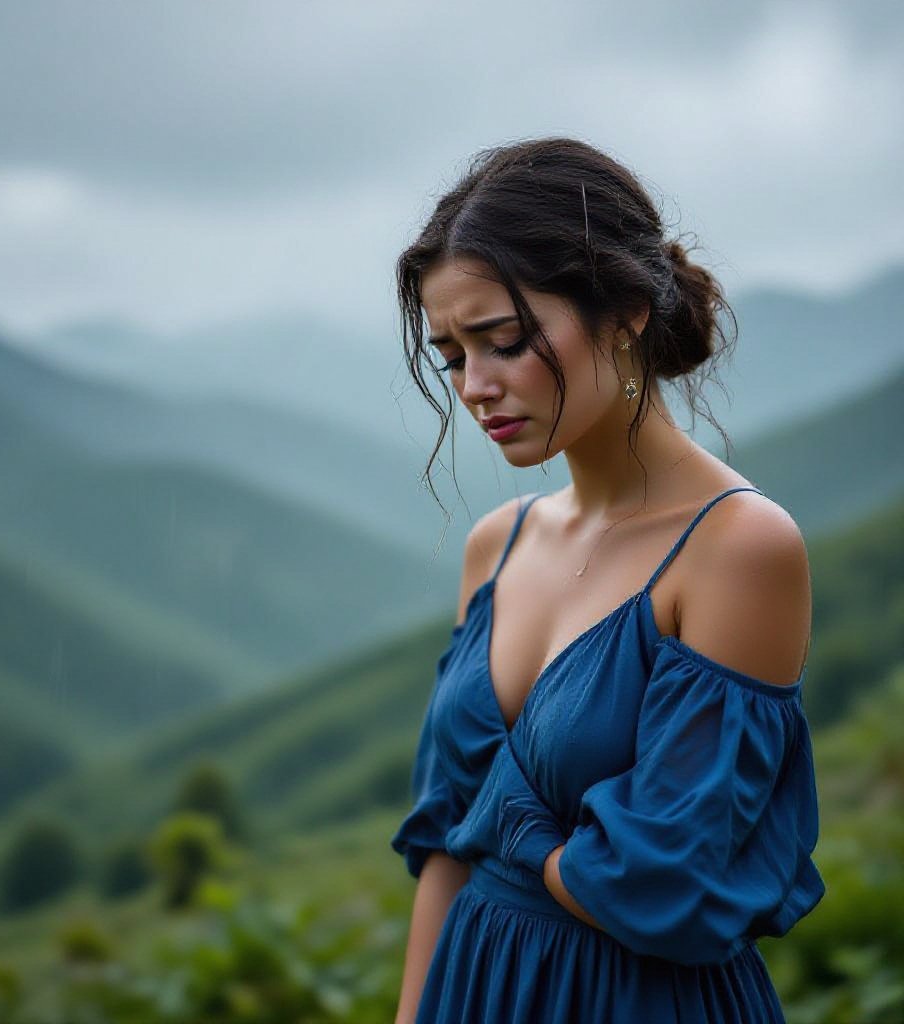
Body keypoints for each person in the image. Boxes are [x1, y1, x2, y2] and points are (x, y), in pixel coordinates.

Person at [389, 138, 825, 1024]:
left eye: (504, 341)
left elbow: (671, 884)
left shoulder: (738, 548)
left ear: (625, 311)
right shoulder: (498, 545)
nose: (476, 386)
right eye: (452, 356)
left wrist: (510, 823)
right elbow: (444, 842)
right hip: (474, 989)